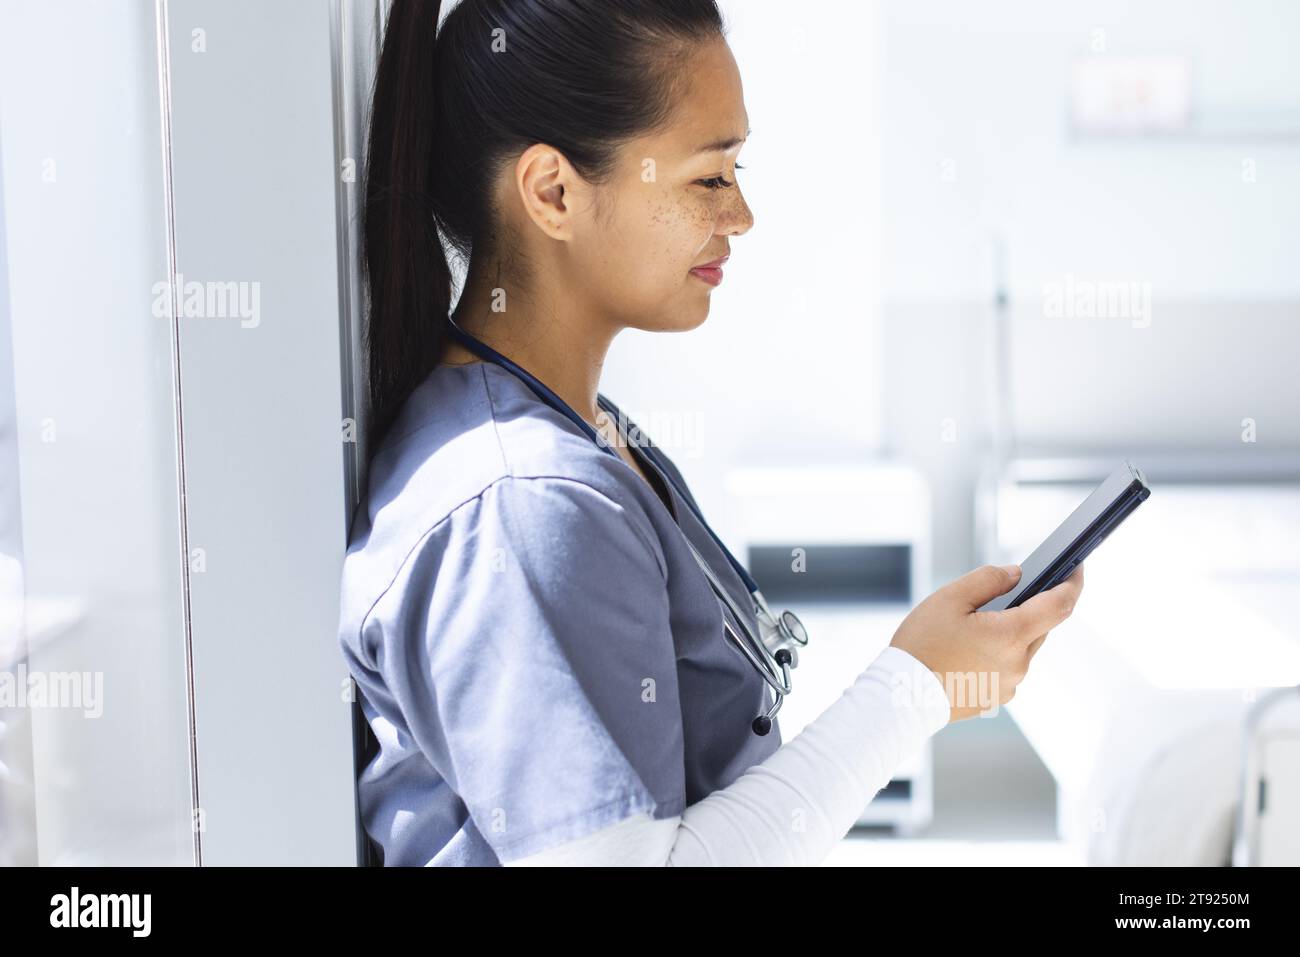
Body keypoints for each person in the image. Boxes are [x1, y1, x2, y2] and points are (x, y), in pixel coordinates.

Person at [336, 0, 1085, 867]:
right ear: (552, 192)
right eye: (708, 177)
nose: (741, 215)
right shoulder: (524, 503)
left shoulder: (571, 433)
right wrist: (914, 687)